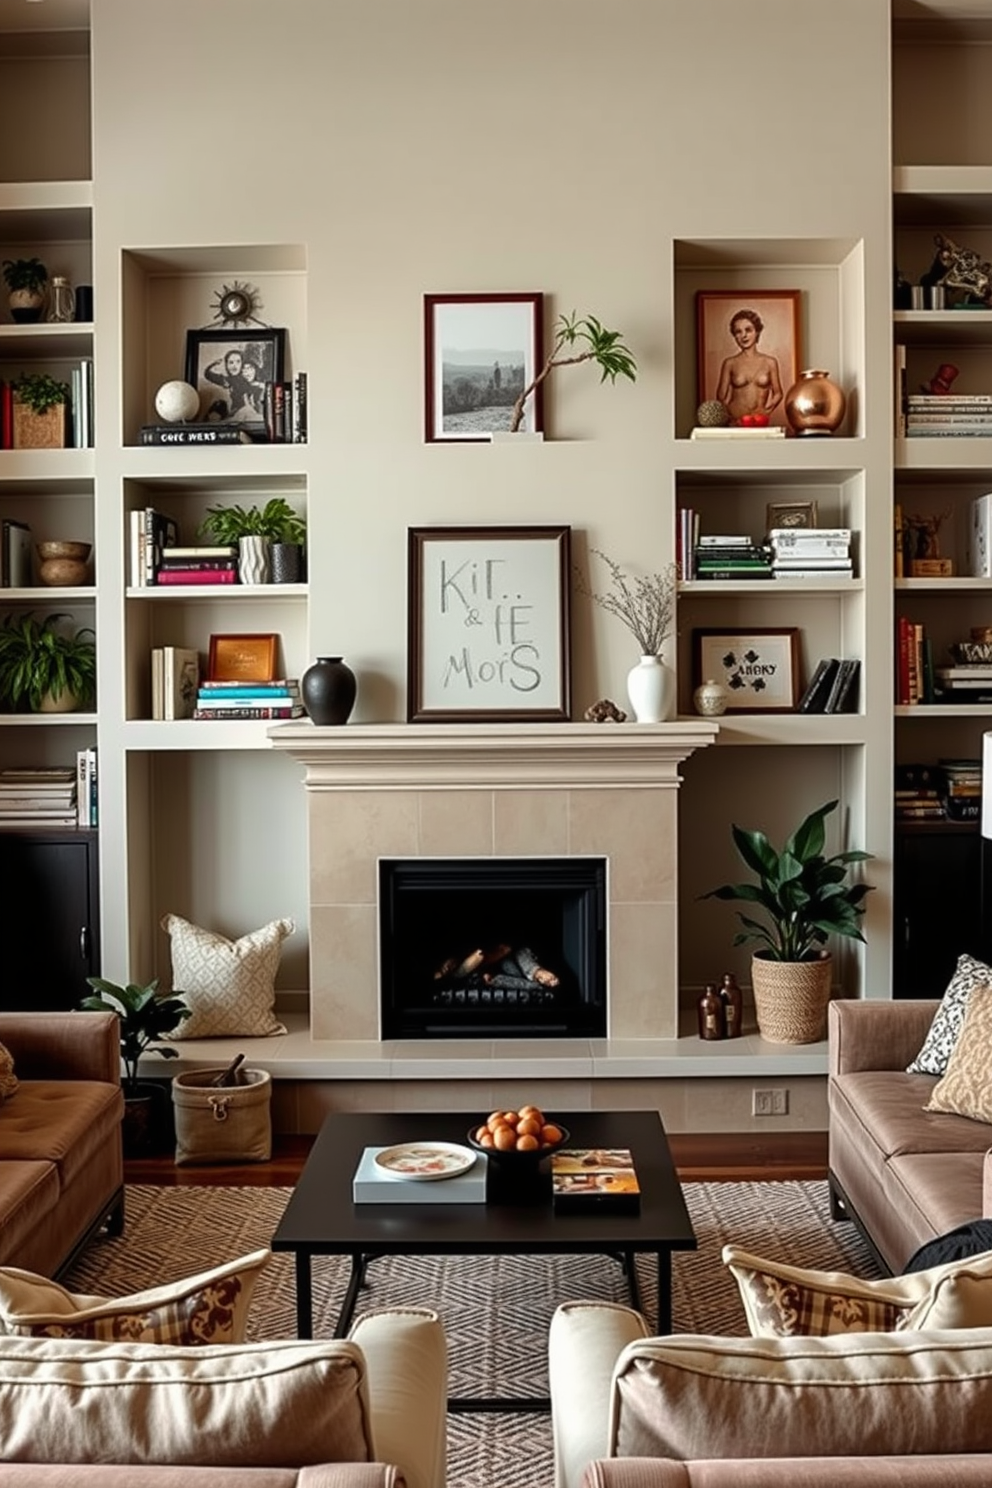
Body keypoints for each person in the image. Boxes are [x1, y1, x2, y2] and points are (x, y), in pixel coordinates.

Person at [715, 308, 784, 423]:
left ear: (757, 332)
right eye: (738, 332)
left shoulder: (770, 362)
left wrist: (767, 411)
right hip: (735, 421)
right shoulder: (730, 363)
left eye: (748, 330)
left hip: (760, 420)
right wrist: (730, 416)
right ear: (734, 336)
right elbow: (720, 396)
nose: (744, 336)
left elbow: (778, 393)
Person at [433, 943, 560, 989]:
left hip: (513, 959)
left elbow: (507, 948)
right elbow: (479, 957)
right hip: (502, 971)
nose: (448, 966)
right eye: (445, 970)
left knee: (517, 955)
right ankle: (536, 981)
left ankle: (536, 973)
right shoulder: (459, 974)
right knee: (496, 977)